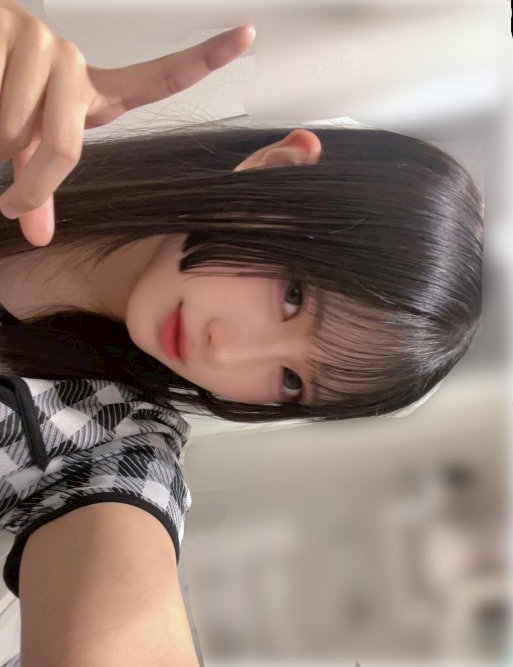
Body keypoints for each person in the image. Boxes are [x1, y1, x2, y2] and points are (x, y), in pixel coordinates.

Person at [0, 1, 483, 666]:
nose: (225, 353)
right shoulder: (16, 125)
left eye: (291, 382)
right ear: (279, 168)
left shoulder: (107, 440)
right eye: (292, 297)